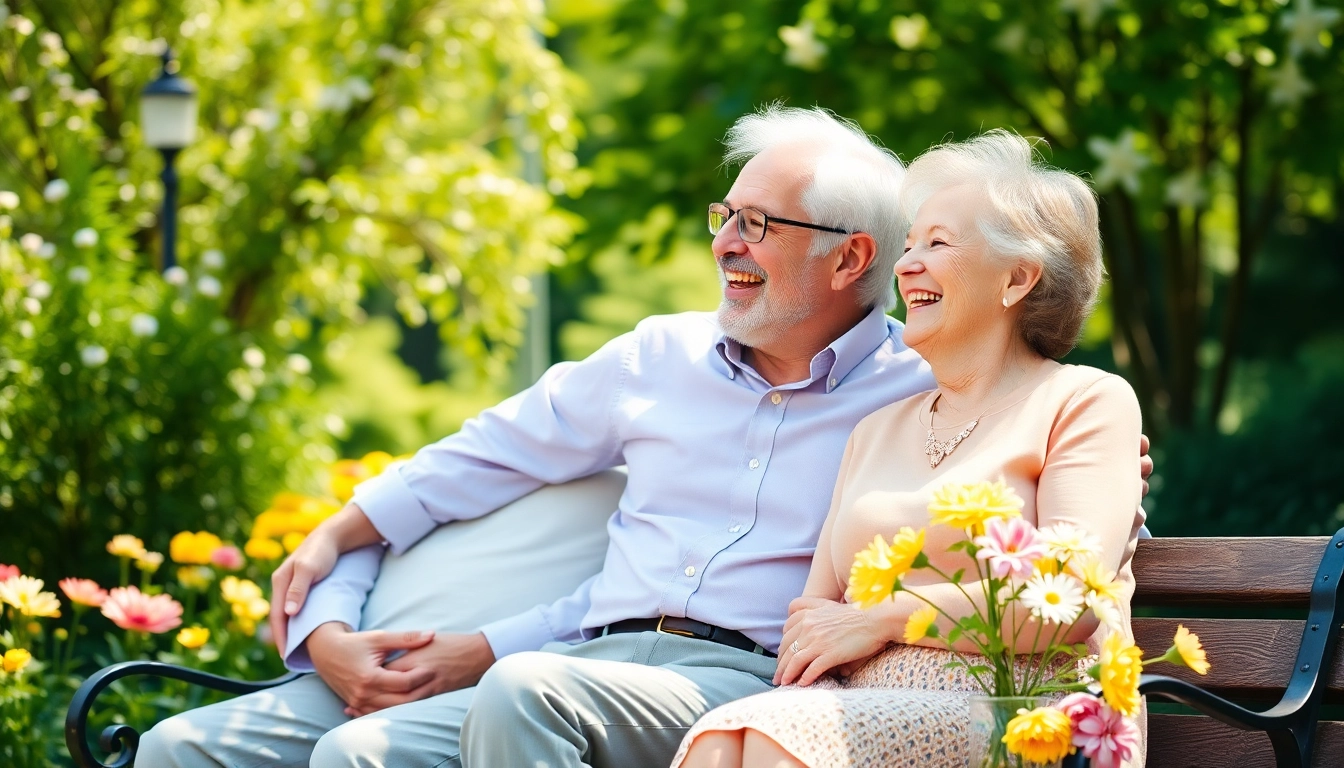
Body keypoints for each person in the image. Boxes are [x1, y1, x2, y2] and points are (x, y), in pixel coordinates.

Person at [136, 109, 1148, 768]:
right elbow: (476, 456)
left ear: (850, 262)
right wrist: (338, 535)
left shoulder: (910, 383)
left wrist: (1106, 481)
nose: (725, 243)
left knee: (527, 692)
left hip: (747, 682)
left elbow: (1043, 495)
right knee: (296, 753)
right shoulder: (666, 362)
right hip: (592, 660)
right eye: (726, 216)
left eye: (760, 225)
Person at [673, 130, 1147, 768]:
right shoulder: (877, 428)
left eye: (938, 243)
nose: (903, 265)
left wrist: (886, 618)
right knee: (730, 731)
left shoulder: (1085, 400)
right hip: (864, 704)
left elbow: (1072, 598)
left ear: (1017, 278)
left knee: (772, 734)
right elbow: (815, 616)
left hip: (1023, 709)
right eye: (909, 244)